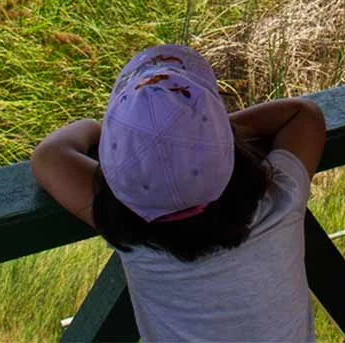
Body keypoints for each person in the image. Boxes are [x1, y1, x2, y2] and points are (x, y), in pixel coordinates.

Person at [29, 44, 326, 342]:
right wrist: (202, 135)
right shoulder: (280, 201)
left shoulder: (131, 233)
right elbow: (303, 114)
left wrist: (102, 131)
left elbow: (49, 156)